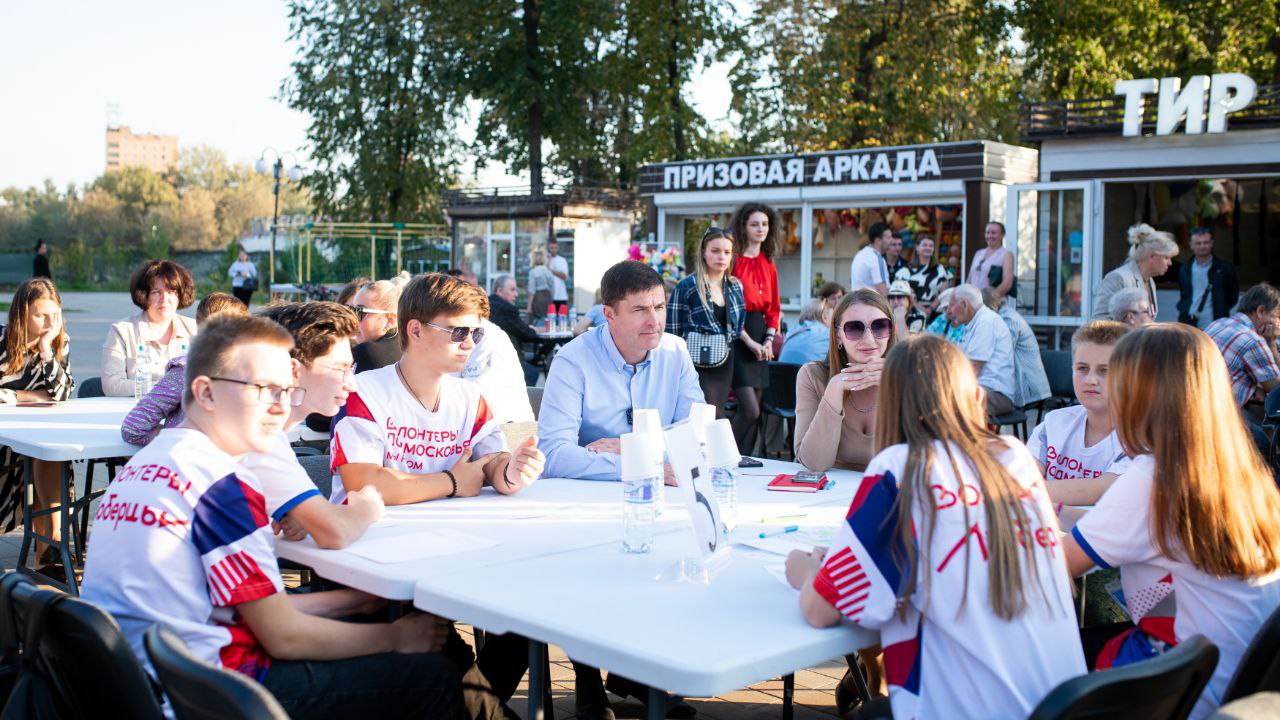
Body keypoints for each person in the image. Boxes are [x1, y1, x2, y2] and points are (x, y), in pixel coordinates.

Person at [80, 315, 491, 720]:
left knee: (374, 621)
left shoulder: (147, 464)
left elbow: (240, 608)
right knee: (432, 676)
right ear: (205, 393)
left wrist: (354, 601)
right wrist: (397, 637)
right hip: (207, 695)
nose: (280, 407)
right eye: (264, 390)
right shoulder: (221, 487)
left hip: (133, 683)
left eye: (285, 390)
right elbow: (283, 637)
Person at [787, 335, 1085, 720]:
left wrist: (808, 570)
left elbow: (820, 610)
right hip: (1063, 705)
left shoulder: (899, 468)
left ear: (891, 404)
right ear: (974, 397)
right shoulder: (1013, 457)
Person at [328, 273, 541, 712]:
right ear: (415, 329)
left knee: (528, 622)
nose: (469, 342)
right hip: (375, 566)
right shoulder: (365, 392)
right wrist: (451, 482)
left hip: (450, 553)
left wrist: (512, 471)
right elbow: (364, 484)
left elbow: (492, 462)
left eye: (475, 333)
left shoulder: (470, 397)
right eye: (458, 331)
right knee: (453, 669)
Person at [1063, 324, 1280, 718]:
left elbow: (1057, 562)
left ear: (1140, 397)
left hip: (1188, 687)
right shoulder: (1232, 464)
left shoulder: (1153, 477)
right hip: (1242, 681)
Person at [539, 259, 704, 482]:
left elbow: (698, 437)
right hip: (588, 496)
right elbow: (553, 455)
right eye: (640, 310)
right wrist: (641, 466)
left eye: (659, 307)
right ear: (609, 315)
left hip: (664, 493)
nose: (654, 321)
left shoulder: (675, 352)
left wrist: (633, 447)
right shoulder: (573, 360)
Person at [246, 302, 384, 550]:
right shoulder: (259, 440)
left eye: (350, 368)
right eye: (340, 368)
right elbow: (336, 533)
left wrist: (304, 515)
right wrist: (367, 507)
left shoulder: (257, 428)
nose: (351, 384)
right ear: (293, 371)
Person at [0, 278, 74, 576]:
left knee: (49, 451)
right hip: (4, 443)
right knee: (40, 453)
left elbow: (62, 393)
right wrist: (26, 396)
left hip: (35, 437)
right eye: (41, 315)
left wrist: (45, 349)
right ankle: (49, 551)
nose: (49, 322)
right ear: (22, 314)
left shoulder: (57, 343)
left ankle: (49, 549)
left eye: (55, 315)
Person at [1025, 321, 1132, 525]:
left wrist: (1024, 493)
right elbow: (1027, 472)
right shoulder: (1054, 423)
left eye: (1105, 371)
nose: (1091, 379)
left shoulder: (1138, 437)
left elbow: (1098, 490)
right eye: (1083, 368)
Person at [121, 292, 248, 445]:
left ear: (199, 325)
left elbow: (134, 428)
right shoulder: (256, 373)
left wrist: (174, 435)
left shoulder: (185, 371)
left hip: (188, 460)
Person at [794, 289, 897, 473]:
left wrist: (899, 386)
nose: (869, 339)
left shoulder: (908, 377)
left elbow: (930, 460)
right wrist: (835, 388)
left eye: (879, 326)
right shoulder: (812, 376)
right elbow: (813, 464)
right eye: (855, 328)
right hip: (832, 495)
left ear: (890, 331)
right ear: (838, 335)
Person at [666, 228, 745, 418]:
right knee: (703, 412)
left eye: (726, 252)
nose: (721, 257)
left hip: (724, 358)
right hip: (694, 360)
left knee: (718, 409)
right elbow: (672, 330)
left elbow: (738, 325)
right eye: (715, 251)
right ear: (703, 252)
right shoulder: (688, 286)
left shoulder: (734, 285)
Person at [101, 259, 199, 397]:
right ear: (144, 295)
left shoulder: (195, 330)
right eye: (156, 292)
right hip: (136, 413)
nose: (164, 299)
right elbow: (112, 385)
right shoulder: (122, 331)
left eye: (171, 292)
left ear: (180, 294)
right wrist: (165, 388)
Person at [730, 202, 782, 454]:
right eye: (754, 224)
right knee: (748, 410)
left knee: (756, 412)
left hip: (762, 337)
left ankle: (744, 462)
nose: (760, 229)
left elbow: (774, 309)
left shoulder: (768, 262)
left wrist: (769, 340)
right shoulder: (733, 261)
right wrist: (750, 342)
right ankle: (722, 454)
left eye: (764, 224)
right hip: (739, 338)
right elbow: (728, 309)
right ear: (743, 227)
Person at [1206, 283, 1280, 411]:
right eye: (1277, 316)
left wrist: (1255, 387)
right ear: (1260, 311)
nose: (1278, 323)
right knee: (1260, 430)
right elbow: (1276, 390)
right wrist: (1271, 342)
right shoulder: (1254, 341)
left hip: (1196, 403)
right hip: (1216, 415)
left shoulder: (1218, 323)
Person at [947, 284, 1017, 416]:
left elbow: (972, 369)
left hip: (995, 394)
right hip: (983, 391)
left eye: (951, 305)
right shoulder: (976, 321)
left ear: (965, 305)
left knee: (941, 403)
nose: (949, 311)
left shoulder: (985, 321)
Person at [1091, 223, 1177, 321]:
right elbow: (1099, 321)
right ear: (1151, 256)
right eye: (1166, 257)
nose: (1170, 263)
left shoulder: (1150, 281)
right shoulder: (1117, 278)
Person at [983, 289, 1050, 410]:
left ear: (988, 308)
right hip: (1019, 385)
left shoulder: (1009, 319)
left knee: (973, 403)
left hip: (1028, 388)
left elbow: (999, 353)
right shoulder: (1000, 317)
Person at [489, 273, 544, 386]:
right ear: (499, 291)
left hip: (490, 361)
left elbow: (517, 328)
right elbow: (528, 335)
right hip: (506, 363)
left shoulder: (488, 304)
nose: (516, 294)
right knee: (532, 372)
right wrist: (533, 330)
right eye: (512, 290)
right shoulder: (506, 309)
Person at [1178, 227, 1239, 330]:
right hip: (1190, 322)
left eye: (1206, 242)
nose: (1202, 246)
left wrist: (1221, 308)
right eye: (1198, 243)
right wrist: (1184, 309)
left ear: (1212, 243)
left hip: (1217, 324)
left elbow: (1233, 296)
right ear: (1191, 245)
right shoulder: (1185, 269)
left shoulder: (1224, 268)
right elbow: (1184, 295)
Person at [350, 274, 410, 372]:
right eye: (351, 310)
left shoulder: (366, 351)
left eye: (359, 312)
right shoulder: (410, 348)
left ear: (390, 320)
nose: (352, 319)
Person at [894, 233, 952, 320]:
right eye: (924, 245)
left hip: (934, 315)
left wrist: (930, 309)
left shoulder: (941, 270)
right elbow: (902, 294)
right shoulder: (904, 271)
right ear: (917, 248)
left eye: (931, 246)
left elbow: (944, 294)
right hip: (910, 314)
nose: (928, 248)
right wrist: (919, 308)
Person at [970, 221, 1015, 305]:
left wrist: (987, 300)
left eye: (993, 233)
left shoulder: (1006, 255)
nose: (989, 236)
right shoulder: (979, 253)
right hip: (974, 304)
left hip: (993, 305)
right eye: (987, 232)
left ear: (1002, 235)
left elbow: (1007, 284)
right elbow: (969, 279)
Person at [778, 300, 830, 365]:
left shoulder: (792, 330)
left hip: (781, 373)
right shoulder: (827, 333)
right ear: (824, 317)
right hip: (809, 374)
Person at [850, 221, 891, 296]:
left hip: (857, 302)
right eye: (889, 237)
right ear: (878, 241)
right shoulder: (876, 258)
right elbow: (882, 291)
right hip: (871, 304)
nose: (891, 240)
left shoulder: (860, 254)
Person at [527, 248, 556, 325]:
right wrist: (551, 297)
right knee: (548, 319)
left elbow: (531, 290)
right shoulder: (548, 271)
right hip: (548, 297)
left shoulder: (532, 272)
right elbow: (552, 287)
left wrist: (529, 306)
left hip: (538, 298)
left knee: (536, 319)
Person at [547, 238, 570, 312]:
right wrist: (549, 260)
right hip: (549, 297)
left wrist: (552, 271)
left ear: (558, 248)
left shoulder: (562, 260)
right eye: (551, 248)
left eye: (555, 248)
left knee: (562, 321)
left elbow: (564, 276)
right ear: (548, 247)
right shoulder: (545, 260)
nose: (553, 250)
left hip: (561, 296)